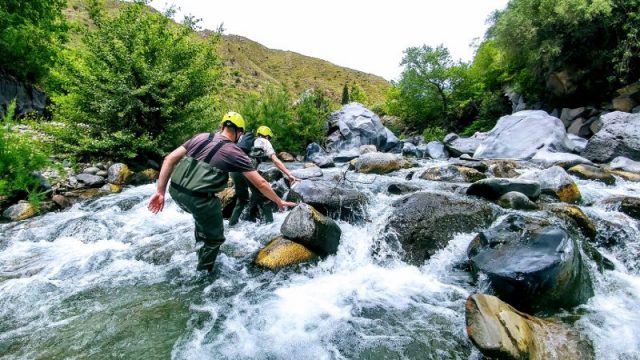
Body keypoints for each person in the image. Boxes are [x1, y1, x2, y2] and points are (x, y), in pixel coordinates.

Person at [147, 112, 297, 272]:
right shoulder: (234, 152)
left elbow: (169, 159)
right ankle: (203, 274)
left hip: (175, 192)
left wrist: (160, 192)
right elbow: (260, 183)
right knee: (214, 239)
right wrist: (279, 201)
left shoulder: (200, 137)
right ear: (239, 133)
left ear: (222, 126)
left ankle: (201, 246)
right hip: (199, 200)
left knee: (203, 220)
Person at [229, 125, 300, 225]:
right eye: (269, 138)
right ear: (267, 136)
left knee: (242, 199)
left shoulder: (245, 140)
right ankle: (270, 226)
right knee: (266, 197)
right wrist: (289, 174)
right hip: (247, 169)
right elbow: (275, 160)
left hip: (234, 170)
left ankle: (232, 225)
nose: (269, 140)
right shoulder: (265, 142)